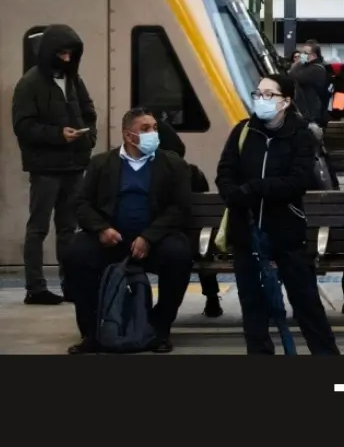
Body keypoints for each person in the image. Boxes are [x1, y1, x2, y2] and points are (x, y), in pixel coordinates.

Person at [215, 74, 340, 355]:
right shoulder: (243, 132)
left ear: (285, 101)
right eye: (258, 93)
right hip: (246, 230)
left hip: (286, 231)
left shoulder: (301, 136)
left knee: (305, 300)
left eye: (269, 95)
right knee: (253, 303)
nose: (261, 99)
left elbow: (296, 182)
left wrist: (254, 188)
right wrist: (234, 192)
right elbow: (225, 172)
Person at [62, 108, 193, 353]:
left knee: (179, 254)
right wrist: (101, 229)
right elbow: (81, 203)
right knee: (76, 254)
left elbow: (180, 207)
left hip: (154, 239)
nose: (153, 133)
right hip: (112, 239)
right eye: (145, 129)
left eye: (154, 128)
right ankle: (91, 333)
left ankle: (158, 329)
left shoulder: (172, 163)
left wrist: (149, 237)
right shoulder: (101, 163)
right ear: (128, 136)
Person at [12, 24, 98, 305]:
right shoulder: (30, 83)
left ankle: (70, 284)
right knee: (38, 228)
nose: (66, 58)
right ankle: (35, 287)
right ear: (50, 53)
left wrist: (88, 137)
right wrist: (58, 135)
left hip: (74, 165)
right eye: (61, 53)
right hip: (45, 168)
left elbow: (88, 112)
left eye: (70, 54)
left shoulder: (74, 80)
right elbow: (23, 126)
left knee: (68, 228)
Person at [154, 113, 222, 318]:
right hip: (195, 244)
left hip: (161, 243)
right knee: (202, 239)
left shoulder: (147, 173)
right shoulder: (193, 173)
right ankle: (212, 297)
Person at [289, 40, 329, 128]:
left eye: (305, 53)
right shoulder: (309, 67)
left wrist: (297, 63)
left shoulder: (316, 69)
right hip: (308, 113)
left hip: (312, 115)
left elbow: (294, 76)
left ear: (314, 56)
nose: (301, 55)